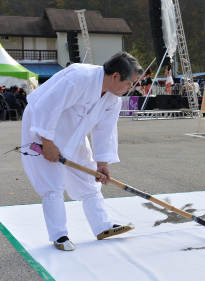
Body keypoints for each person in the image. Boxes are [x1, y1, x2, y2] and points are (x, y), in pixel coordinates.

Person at [21, 51, 143, 251]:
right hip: (41, 130)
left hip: (74, 135)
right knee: (53, 184)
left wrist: (102, 163)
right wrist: (47, 142)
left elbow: (105, 130)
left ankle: (103, 226)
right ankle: (59, 235)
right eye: (130, 83)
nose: (131, 88)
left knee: (89, 179)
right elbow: (46, 106)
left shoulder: (114, 98)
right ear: (115, 77)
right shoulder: (80, 76)